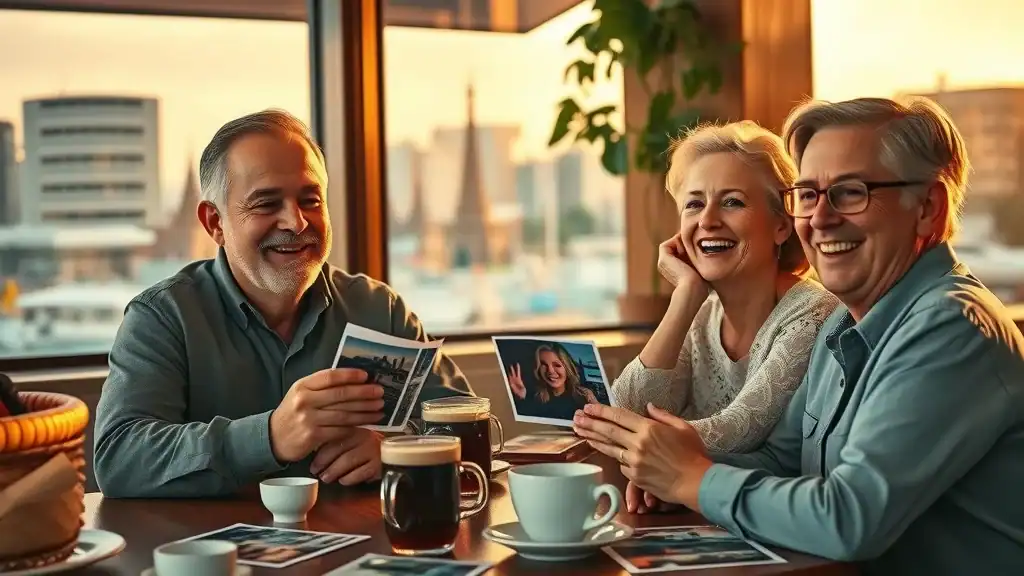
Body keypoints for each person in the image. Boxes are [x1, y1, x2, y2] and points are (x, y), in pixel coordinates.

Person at [574, 97, 1024, 574]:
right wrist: (676, 479)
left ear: (927, 209)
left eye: (850, 192)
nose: (820, 218)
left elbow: (849, 519)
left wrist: (695, 479)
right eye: (808, 195)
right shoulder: (845, 321)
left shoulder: (950, 327)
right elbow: (784, 460)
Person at [93, 109, 473, 498]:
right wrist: (270, 437)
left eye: (310, 200)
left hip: (368, 545)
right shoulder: (162, 317)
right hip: (218, 555)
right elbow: (119, 458)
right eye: (266, 204)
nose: (296, 222)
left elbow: (468, 422)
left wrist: (398, 447)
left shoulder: (380, 310)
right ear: (214, 223)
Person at [609, 120, 839, 455]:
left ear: (781, 226)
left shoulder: (814, 312)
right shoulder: (702, 314)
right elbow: (625, 408)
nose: (707, 221)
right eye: (694, 204)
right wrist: (685, 296)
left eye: (731, 202)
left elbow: (736, 432)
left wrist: (640, 445)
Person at [506, 342, 598, 420]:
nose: (550, 371)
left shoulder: (585, 395)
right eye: (543, 365)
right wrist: (521, 398)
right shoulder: (535, 398)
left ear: (567, 368)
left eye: (557, 365)